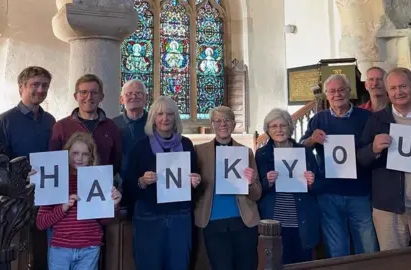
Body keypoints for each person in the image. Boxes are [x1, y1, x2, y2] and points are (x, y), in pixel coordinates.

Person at [300, 74, 378, 258]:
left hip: (360, 191)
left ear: (349, 92)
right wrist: (312, 139)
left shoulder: (366, 117)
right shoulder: (318, 120)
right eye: (332, 91)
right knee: (337, 249)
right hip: (329, 193)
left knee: (367, 247)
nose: (337, 94)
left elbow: (373, 149)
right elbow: (301, 146)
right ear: (327, 94)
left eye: (341, 90)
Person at [0, 66, 56, 269]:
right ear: (21, 88)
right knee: (19, 253)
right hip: (15, 200)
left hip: (46, 196)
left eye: (45, 85)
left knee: (41, 252)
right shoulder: (5, 121)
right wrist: (17, 176)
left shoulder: (50, 120)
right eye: (35, 85)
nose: (40, 90)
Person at [124, 96, 201, 270]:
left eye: (169, 114)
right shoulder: (140, 147)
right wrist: (142, 181)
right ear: (153, 118)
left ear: (175, 118)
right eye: (160, 114)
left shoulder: (186, 144)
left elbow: (195, 178)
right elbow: (128, 184)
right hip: (149, 215)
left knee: (179, 264)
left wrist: (195, 181)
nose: (165, 118)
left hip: (179, 215)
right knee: (149, 264)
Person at [36, 132, 122, 270]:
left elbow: (104, 221)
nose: (79, 158)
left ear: (91, 157)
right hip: (60, 249)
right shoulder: (55, 181)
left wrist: (113, 205)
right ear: (67, 154)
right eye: (75, 153)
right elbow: (41, 223)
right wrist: (63, 207)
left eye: (85, 154)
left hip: (90, 248)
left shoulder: (98, 179)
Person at [194, 106, 262, 270]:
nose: (222, 124)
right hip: (212, 221)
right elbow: (194, 190)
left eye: (227, 120)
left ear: (234, 124)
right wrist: (195, 182)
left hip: (244, 221)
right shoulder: (199, 151)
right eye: (218, 120)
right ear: (212, 125)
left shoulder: (245, 152)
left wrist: (252, 182)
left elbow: (257, 194)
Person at [358, 67, 411, 250]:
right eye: (393, 88)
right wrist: (373, 149)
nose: (399, 92)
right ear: (387, 92)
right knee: (392, 262)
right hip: (388, 207)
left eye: (403, 86)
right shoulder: (376, 120)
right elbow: (361, 158)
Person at [256, 108, 321, 264]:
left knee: (302, 263)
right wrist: (268, 182)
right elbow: (256, 189)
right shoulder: (262, 154)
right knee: (276, 263)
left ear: (289, 127)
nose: (279, 130)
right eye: (274, 126)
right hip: (275, 220)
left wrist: (312, 181)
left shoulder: (304, 152)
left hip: (301, 220)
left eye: (283, 125)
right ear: (268, 130)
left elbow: (319, 184)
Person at [49, 74, 122, 176]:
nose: (89, 97)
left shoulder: (111, 126)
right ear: (76, 96)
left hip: (101, 186)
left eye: (94, 93)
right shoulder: (61, 126)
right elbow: (53, 162)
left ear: (101, 97)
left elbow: (116, 161)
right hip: (70, 188)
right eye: (83, 92)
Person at [112, 79, 148, 188]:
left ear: (146, 98)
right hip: (121, 186)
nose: (134, 96)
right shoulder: (112, 125)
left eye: (138, 93)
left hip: (150, 183)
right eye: (129, 94)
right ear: (122, 100)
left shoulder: (155, 122)